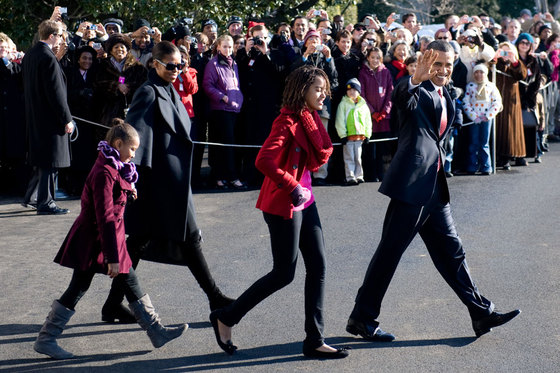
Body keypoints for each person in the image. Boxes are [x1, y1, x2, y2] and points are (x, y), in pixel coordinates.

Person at [346, 41, 520, 342]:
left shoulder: (449, 95)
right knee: (389, 253)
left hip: (435, 187)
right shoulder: (416, 90)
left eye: (447, 65)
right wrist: (415, 78)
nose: (442, 70)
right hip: (412, 187)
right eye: (436, 64)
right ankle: (363, 318)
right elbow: (403, 100)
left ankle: (480, 312)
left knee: (453, 253)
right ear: (426, 63)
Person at [209, 66, 348, 359]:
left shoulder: (309, 119)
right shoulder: (285, 122)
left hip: (305, 202)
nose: (324, 94)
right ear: (302, 92)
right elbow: (264, 161)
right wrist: (293, 186)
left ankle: (314, 340)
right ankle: (226, 316)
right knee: (284, 273)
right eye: (318, 89)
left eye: (325, 89)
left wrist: (301, 190)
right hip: (285, 203)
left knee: (319, 267)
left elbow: (318, 155)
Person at [100, 41, 234, 324]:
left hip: (172, 180)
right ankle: (215, 297)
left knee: (140, 243)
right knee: (186, 238)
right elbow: (132, 135)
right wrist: (127, 176)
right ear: (155, 64)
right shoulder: (148, 91)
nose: (176, 70)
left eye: (180, 65)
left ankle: (112, 304)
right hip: (156, 183)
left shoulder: (168, 88)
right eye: (170, 66)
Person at [34, 120, 186, 359]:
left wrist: (128, 188)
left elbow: (115, 191)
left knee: (128, 280)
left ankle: (156, 331)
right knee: (79, 286)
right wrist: (112, 257)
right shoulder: (105, 171)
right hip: (94, 238)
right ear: (118, 144)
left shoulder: (112, 164)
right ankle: (46, 339)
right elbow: (104, 215)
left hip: (107, 237)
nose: (134, 155)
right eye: (132, 149)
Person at [22, 20, 74, 215]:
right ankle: (46, 202)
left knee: (43, 162)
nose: (62, 40)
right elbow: (56, 93)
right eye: (60, 35)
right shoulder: (47, 57)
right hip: (50, 119)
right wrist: (66, 119)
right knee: (51, 162)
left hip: (36, 116)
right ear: (52, 36)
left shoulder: (31, 55)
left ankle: (34, 198)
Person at [203, 35, 245, 189]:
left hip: (234, 109)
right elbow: (208, 86)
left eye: (230, 46)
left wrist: (239, 99)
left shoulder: (233, 63)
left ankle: (226, 176)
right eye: (225, 46)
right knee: (224, 144)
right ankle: (226, 177)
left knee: (231, 144)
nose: (227, 49)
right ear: (218, 47)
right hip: (220, 109)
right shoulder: (213, 64)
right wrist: (223, 98)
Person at [94, 33, 147, 127]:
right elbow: (97, 84)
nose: (119, 49)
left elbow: (144, 86)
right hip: (107, 113)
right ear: (111, 51)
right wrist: (116, 86)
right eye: (116, 47)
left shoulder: (138, 67)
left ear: (127, 50)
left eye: (122, 47)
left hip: (131, 112)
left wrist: (129, 87)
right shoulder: (102, 66)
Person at [359, 47, 394, 182]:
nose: (375, 60)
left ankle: (384, 174)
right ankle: (371, 175)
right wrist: (372, 111)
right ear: (368, 58)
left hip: (384, 116)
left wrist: (385, 111)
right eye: (372, 57)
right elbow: (361, 94)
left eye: (378, 58)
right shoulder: (363, 72)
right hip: (370, 116)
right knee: (370, 147)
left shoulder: (385, 71)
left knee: (384, 147)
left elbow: (390, 93)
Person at [463, 63, 502, 174]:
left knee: (484, 142)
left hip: (486, 118)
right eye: (476, 72)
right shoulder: (470, 86)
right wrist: (473, 116)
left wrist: (488, 115)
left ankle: (486, 166)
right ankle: (472, 165)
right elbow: (466, 103)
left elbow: (497, 102)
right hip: (474, 119)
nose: (479, 74)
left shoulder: (491, 86)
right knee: (473, 142)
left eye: (481, 72)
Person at [494, 41, 527, 169]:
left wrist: (514, 61)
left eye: (508, 51)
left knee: (510, 128)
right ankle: (499, 155)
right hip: (496, 99)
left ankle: (511, 156)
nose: (505, 54)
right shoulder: (497, 63)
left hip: (511, 101)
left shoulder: (516, 64)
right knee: (498, 127)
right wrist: (495, 57)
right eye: (503, 51)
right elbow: (488, 69)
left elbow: (521, 75)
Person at [335, 78, 372, 185]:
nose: (351, 92)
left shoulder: (363, 105)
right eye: (349, 90)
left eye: (354, 90)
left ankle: (359, 176)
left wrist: (367, 134)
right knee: (349, 158)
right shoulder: (343, 104)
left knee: (358, 158)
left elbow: (367, 121)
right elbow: (340, 120)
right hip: (348, 137)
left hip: (360, 137)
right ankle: (350, 176)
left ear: (359, 91)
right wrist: (342, 135)